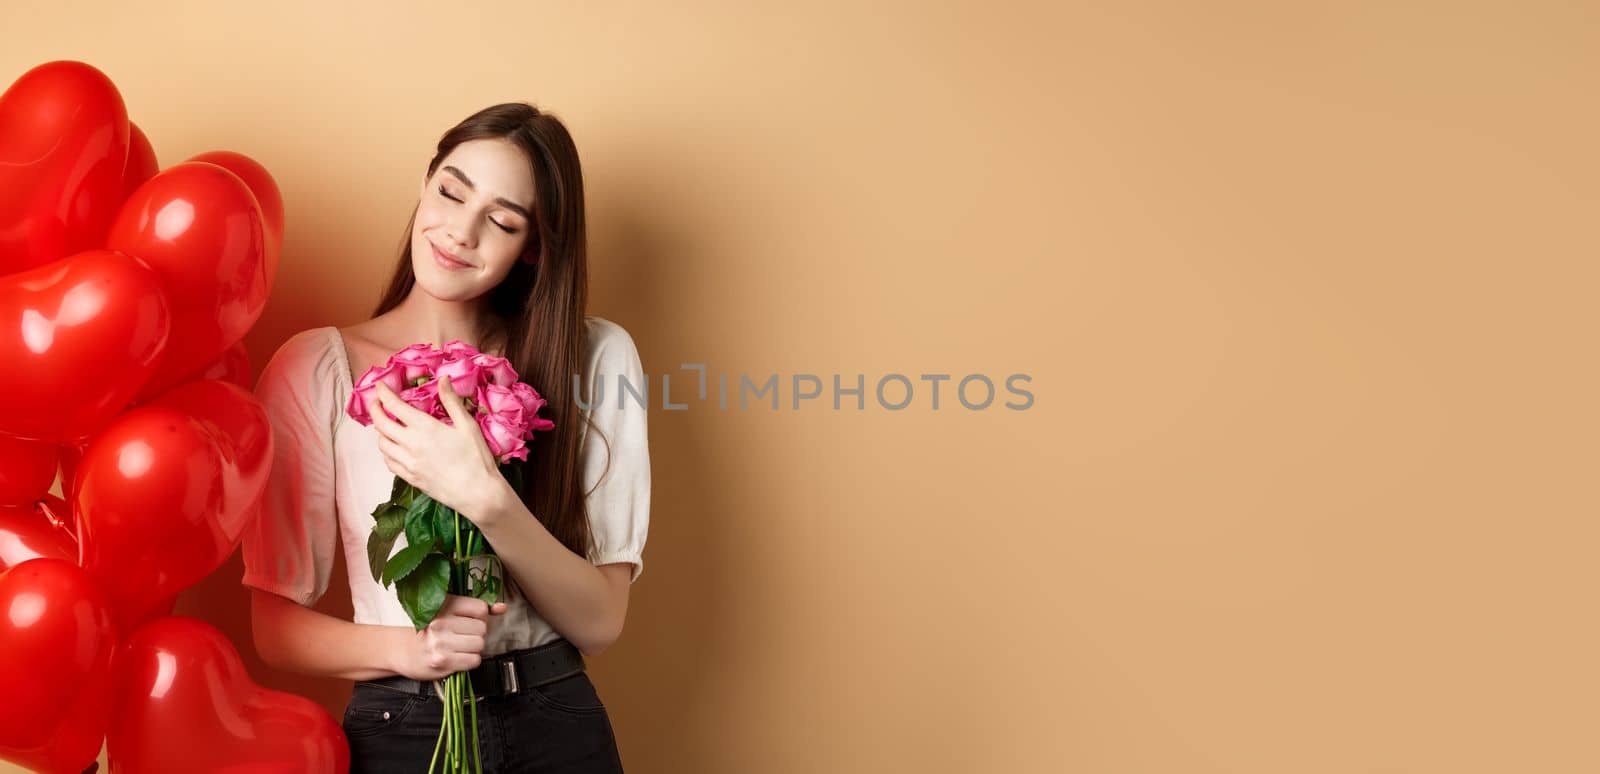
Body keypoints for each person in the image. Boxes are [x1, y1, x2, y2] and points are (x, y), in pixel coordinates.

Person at [240, 102, 649, 773]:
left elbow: (600, 623)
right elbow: (275, 628)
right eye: (451, 191)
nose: (459, 232)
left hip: (556, 723)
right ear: (425, 182)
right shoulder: (317, 367)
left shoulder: (593, 358)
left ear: (534, 247)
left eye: (503, 220)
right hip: (402, 726)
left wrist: (485, 497)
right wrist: (412, 649)